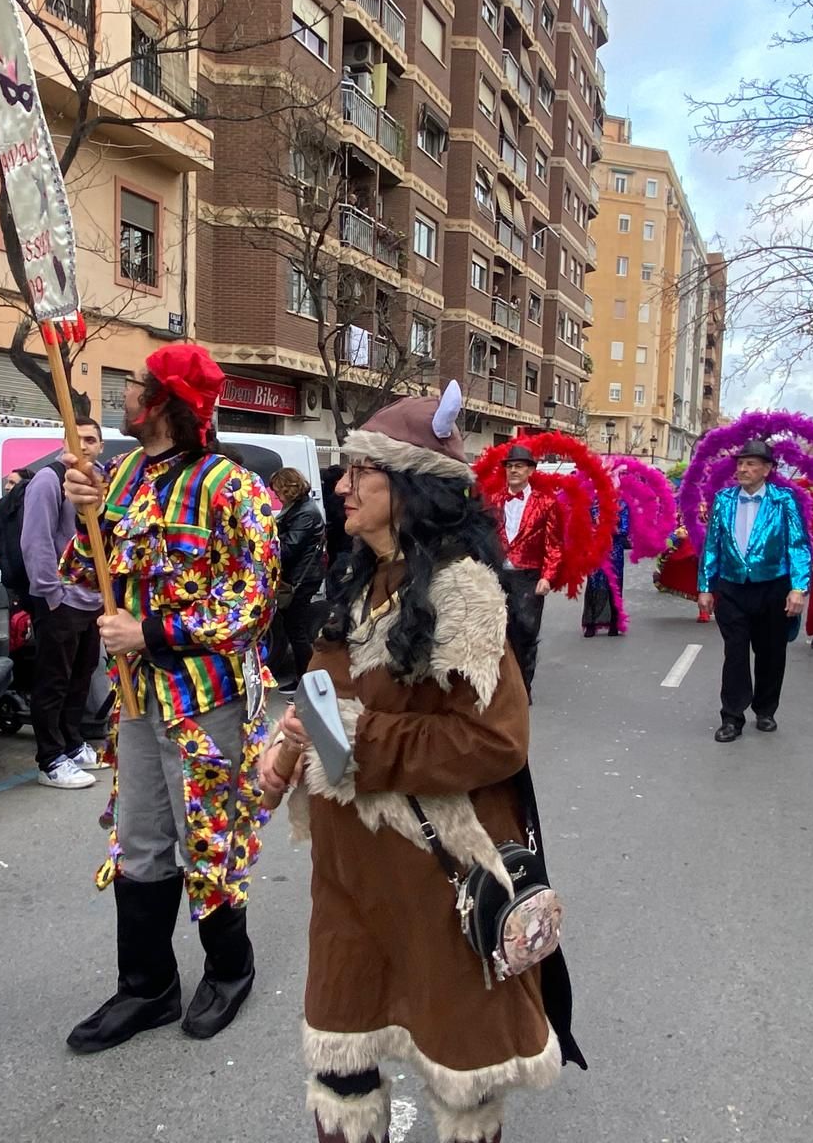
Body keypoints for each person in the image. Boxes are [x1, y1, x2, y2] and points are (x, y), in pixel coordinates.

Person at [260, 385, 582, 1143]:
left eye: (360, 471)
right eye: (343, 472)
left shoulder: (464, 593)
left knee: (461, 1082)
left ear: (406, 488)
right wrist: (285, 750)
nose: (341, 486)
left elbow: (497, 742)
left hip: (439, 876)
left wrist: (360, 739)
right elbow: (320, 693)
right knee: (341, 1064)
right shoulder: (355, 579)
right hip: (349, 875)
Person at [59, 344, 279, 1053]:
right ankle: (147, 986)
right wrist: (83, 513)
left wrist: (149, 630)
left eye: (133, 385)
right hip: (135, 699)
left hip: (203, 699)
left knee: (207, 839)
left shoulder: (232, 488)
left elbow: (252, 604)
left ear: (166, 403)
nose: (121, 393)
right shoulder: (119, 474)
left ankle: (230, 967)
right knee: (140, 839)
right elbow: (83, 574)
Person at [697, 439, 812, 742]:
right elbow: (712, 546)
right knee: (734, 652)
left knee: (771, 652)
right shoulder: (723, 500)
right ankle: (732, 716)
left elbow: (798, 546)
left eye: (750, 464)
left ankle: (765, 708)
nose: (743, 469)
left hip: (773, 587)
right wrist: (705, 587)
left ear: (767, 469)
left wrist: (799, 588)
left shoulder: (784, 500)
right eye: (740, 463)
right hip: (733, 587)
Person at [23, 417, 107, 790]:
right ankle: (50, 757)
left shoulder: (101, 479)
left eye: (91, 439)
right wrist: (51, 594)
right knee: (53, 681)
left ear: (101, 446)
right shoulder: (48, 480)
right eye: (78, 438)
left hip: (93, 599)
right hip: (61, 599)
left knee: (81, 677)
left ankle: (73, 744)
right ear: (65, 441)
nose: (84, 445)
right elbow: (36, 541)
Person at [485, 444, 562, 698]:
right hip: (496, 576)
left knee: (525, 633)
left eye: (519, 466)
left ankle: (522, 689)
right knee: (496, 632)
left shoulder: (547, 503)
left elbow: (554, 545)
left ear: (530, 470)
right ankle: (498, 687)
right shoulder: (493, 500)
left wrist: (547, 577)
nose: (513, 471)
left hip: (528, 577)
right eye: (509, 466)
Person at [270, 467, 326, 690]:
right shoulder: (297, 507)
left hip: (302, 578)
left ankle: (308, 683)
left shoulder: (305, 512)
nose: (275, 495)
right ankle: (303, 678)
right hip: (300, 575)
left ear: (287, 488)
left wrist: (269, 538)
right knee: (294, 628)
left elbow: (289, 547)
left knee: (297, 630)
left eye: (277, 490)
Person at [581, 500, 629, 637]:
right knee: (593, 583)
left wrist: (612, 528)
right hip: (595, 549)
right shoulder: (592, 504)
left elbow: (625, 530)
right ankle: (591, 623)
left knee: (614, 585)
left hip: (615, 551)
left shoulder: (622, 505)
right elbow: (583, 525)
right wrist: (595, 528)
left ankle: (614, 623)